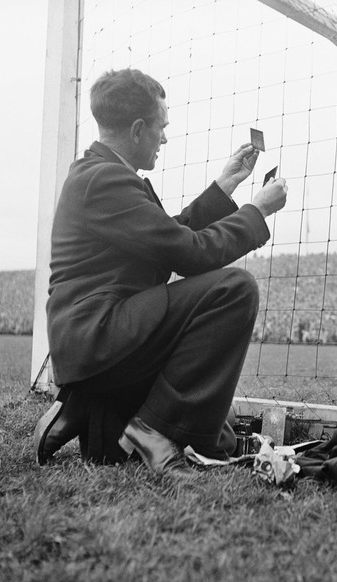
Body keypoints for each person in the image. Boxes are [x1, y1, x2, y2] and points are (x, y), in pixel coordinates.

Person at [33, 68, 288, 477]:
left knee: (217, 436)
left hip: (106, 332)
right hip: (99, 335)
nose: (164, 139)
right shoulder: (104, 181)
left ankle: (91, 407)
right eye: (160, 127)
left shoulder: (104, 174)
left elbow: (169, 239)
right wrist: (256, 213)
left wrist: (225, 187)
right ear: (137, 130)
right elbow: (188, 254)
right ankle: (152, 432)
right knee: (235, 288)